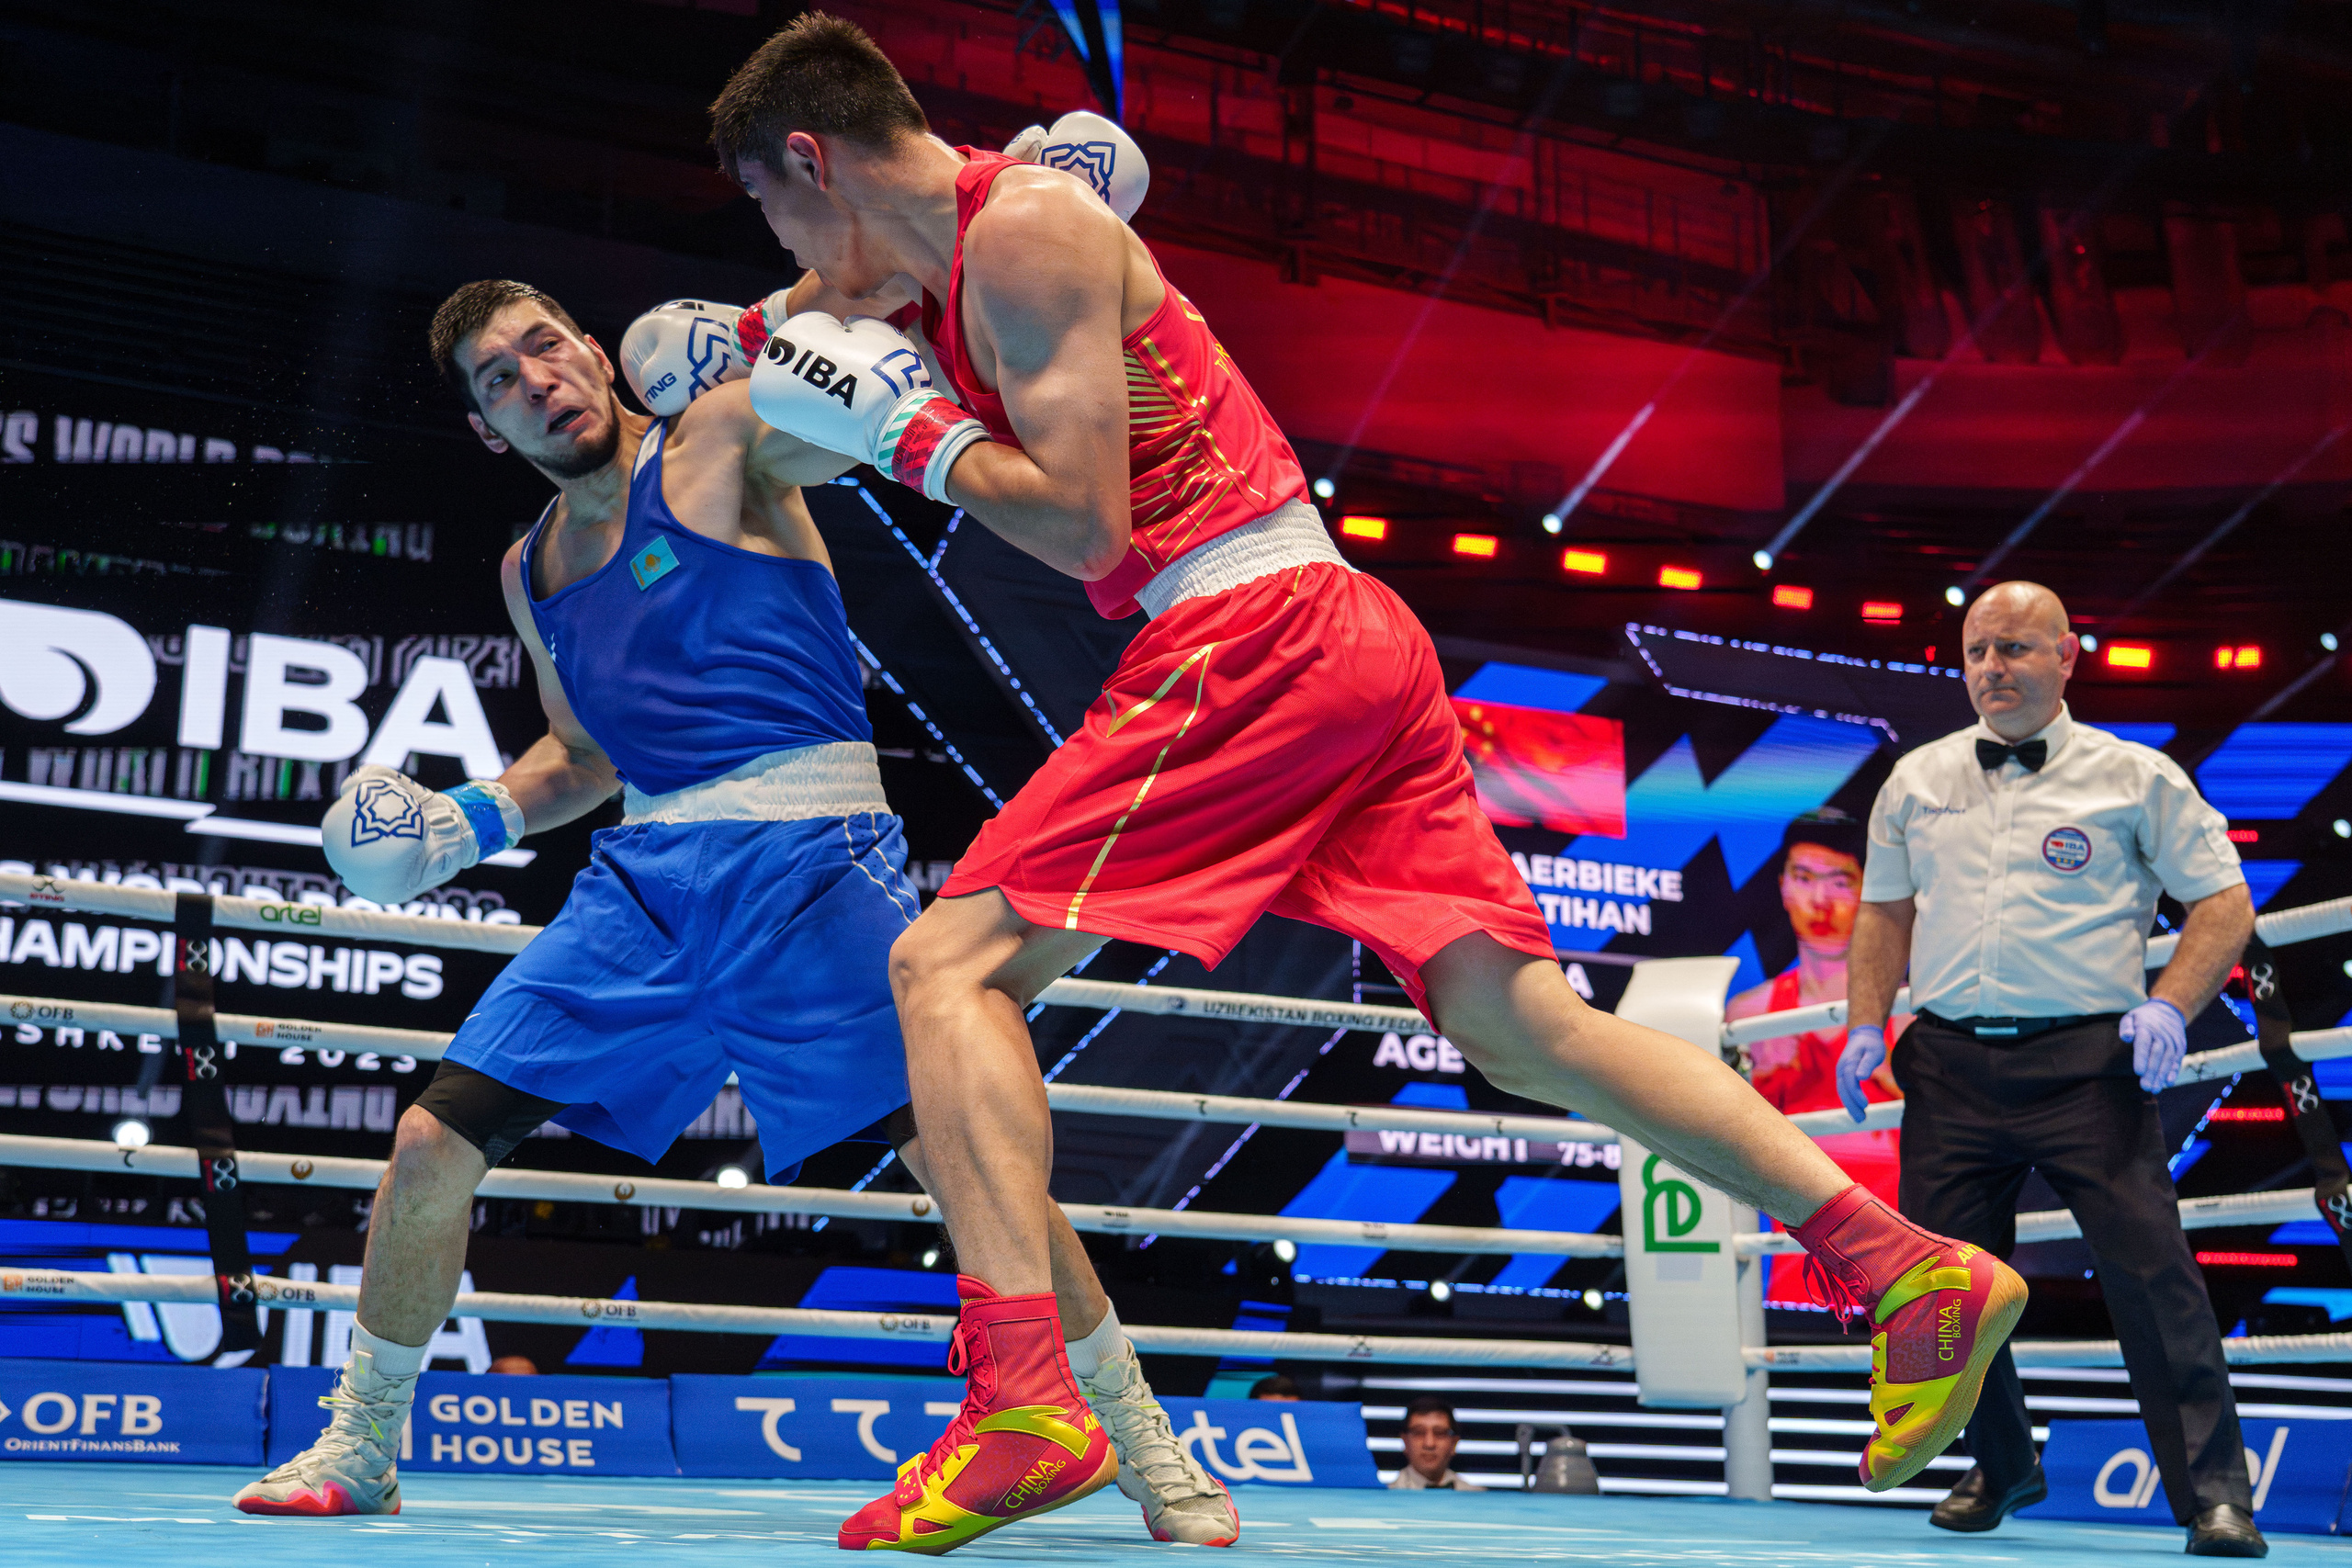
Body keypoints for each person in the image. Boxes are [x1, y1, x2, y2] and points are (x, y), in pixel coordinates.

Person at [709, 16, 2025, 1551]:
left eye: (766, 202)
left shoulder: (1025, 236)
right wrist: (724, 342)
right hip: (1336, 641)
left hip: (1244, 629)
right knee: (1520, 1029)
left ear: (810, 157)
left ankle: (1021, 1397)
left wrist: (910, 432)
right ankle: (1898, 1261)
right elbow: (808, 326)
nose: (781, 245)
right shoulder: (943, 260)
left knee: (945, 965)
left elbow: (1075, 526)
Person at [228, 282, 1238, 1550]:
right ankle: (361, 1443)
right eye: (499, 378)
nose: (535, 378)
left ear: (595, 354)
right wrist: (466, 820)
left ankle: (1147, 1448)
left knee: (972, 1170)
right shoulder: (527, 567)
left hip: (812, 863)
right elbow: (584, 753)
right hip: (642, 884)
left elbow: (875, 417)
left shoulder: (716, 439)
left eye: (545, 345)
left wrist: (842, 321)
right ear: (491, 429)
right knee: (435, 1138)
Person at [1839, 581, 2263, 1557]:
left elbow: (2221, 902)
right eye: (1978, 650)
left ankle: (2212, 1495)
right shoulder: (1916, 778)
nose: (1993, 668)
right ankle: (1998, 1463)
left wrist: (2169, 1004)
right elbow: (1882, 912)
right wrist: (1867, 1022)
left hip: (2087, 1063)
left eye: (2017, 649)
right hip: (1946, 1060)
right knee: (1944, 1290)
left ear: (2068, 657)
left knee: (2152, 1277)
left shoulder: (2135, 776)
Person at [1727, 811, 1909, 1308]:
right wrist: (1759, 1090)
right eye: (1803, 878)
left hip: (1903, 1245)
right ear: (1782, 885)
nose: (1819, 900)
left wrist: (1901, 1082)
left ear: (1868, 890)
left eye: (1839, 881)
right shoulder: (1750, 1015)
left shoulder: (1913, 1011)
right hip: (1793, 1252)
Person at [1387, 1398, 1479, 1491]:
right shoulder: (1385, 1498)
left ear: (1453, 1443)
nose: (1429, 1444)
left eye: (1439, 1433)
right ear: (1405, 1441)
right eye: (1419, 1433)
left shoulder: (1477, 1498)